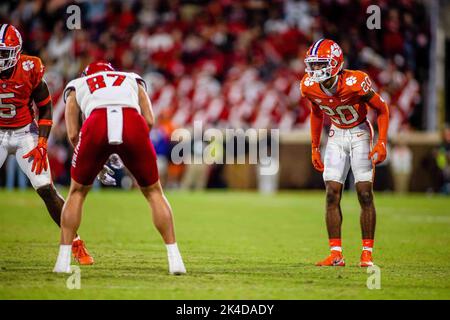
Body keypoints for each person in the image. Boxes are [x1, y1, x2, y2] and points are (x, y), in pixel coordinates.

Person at [53, 61, 186, 275]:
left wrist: (96, 157)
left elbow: (72, 134)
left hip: (96, 122)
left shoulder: (78, 84)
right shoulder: (132, 77)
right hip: (132, 121)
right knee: (154, 192)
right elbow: (149, 120)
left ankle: (62, 261)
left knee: (77, 192)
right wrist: (127, 150)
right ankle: (175, 259)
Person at [0, 24, 93, 264]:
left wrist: (42, 142)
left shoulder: (29, 68)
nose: (1, 58)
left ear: (16, 52)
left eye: (3, 52)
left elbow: (45, 106)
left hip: (24, 133)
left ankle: (75, 242)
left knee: (45, 188)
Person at [300, 39, 389, 267]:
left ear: (335, 63)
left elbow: (382, 108)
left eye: (320, 64)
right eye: (313, 65)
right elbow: (316, 112)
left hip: (360, 133)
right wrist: (314, 147)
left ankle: (367, 253)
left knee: (364, 194)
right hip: (336, 135)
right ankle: (335, 254)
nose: (315, 70)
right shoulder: (308, 85)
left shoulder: (355, 81)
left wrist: (381, 142)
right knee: (331, 193)